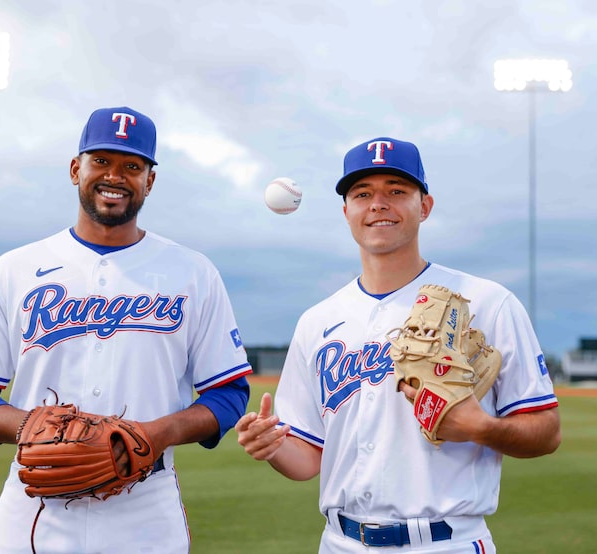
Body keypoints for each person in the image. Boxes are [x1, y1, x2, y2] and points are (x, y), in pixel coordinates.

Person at [0, 106, 252, 553]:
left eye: (132, 166)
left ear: (150, 181)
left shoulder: (193, 273)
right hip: (35, 505)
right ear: (76, 169)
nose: (115, 176)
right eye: (101, 162)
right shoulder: (16, 269)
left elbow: (228, 395)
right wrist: (33, 426)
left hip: (146, 508)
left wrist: (155, 434)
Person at [236, 137, 561, 553]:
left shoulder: (486, 302)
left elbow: (546, 431)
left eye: (396, 191)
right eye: (363, 194)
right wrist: (273, 447)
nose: (378, 204)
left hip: (446, 543)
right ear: (347, 211)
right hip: (340, 543)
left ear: (424, 206)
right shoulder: (316, 322)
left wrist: (481, 428)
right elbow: (308, 458)